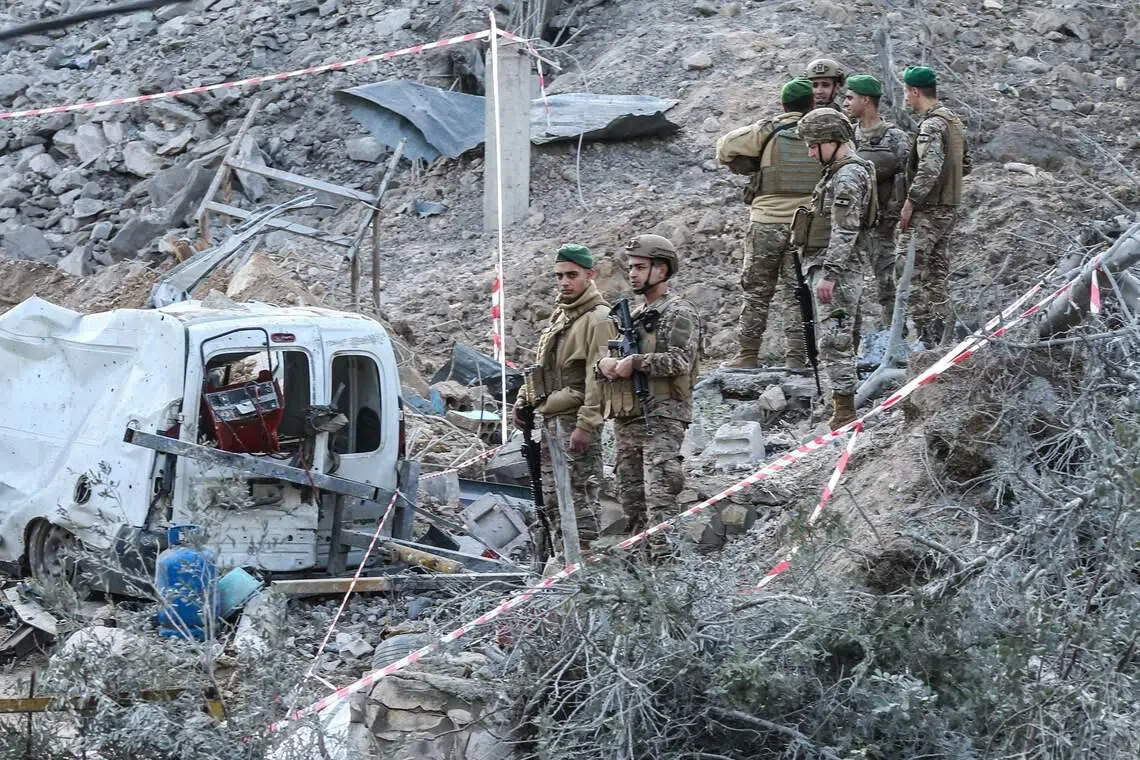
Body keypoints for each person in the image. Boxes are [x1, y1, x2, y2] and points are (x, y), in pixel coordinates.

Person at [597, 234, 700, 557]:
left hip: (662, 417)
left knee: (660, 500)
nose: (632, 274)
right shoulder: (635, 315)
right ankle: (642, 571)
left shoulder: (678, 312)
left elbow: (681, 361)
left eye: (640, 267)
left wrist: (637, 362)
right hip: (629, 419)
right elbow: (612, 358)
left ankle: (667, 568)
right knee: (632, 501)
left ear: (662, 270)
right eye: (631, 267)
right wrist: (605, 365)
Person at [512, 244, 612, 554]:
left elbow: (599, 378)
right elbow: (543, 366)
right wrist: (524, 399)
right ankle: (562, 565)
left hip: (575, 420)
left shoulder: (599, 319)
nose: (564, 282)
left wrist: (586, 425)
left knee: (581, 505)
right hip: (551, 417)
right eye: (559, 276)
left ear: (590, 275)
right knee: (554, 502)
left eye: (572, 275)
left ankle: (585, 568)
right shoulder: (562, 315)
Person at [715, 79, 819, 369]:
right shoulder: (820, 130)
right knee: (796, 292)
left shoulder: (768, 129)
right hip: (805, 224)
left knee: (756, 291)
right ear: (812, 103)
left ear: (783, 104)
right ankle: (797, 357)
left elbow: (724, 148)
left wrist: (754, 161)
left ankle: (747, 355)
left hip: (766, 223)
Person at [792, 109, 877, 429]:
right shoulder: (841, 171)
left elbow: (846, 228)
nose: (810, 153)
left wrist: (830, 273)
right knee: (839, 338)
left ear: (832, 141)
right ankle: (841, 405)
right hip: (835, 266)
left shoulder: (847, 175)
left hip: (837, 270)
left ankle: (844, 414)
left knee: (834, 340)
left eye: (814, 146)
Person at [896, 65, 971, 348]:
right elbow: (966, 165)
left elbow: (929, 168)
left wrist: (910, 203)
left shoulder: (932, 125)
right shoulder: (954, 122)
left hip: (928, 211)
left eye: (906, 92)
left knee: (909, 272)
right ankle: (942, 339)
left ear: (915, 91)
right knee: (937, 276)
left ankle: (925, 337)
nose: (905, 97)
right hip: (948, 208)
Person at [843, 74, 910, 323]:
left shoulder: (895, 138)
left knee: (887, 283)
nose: (845, 103)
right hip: (852, 223)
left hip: (883, 224)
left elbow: (909, 178)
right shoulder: (847, 137)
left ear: (866, 100)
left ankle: (897, 333)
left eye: (850, 98)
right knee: (849, 287)